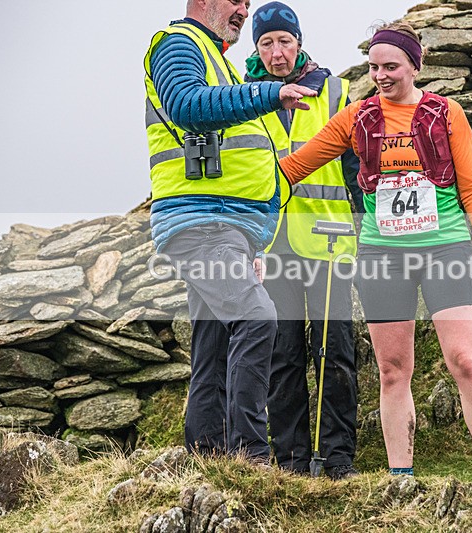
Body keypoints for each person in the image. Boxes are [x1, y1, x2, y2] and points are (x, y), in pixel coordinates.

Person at [279, 21, 472, 485]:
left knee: (464, 360)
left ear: (414, 65)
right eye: (374, 67)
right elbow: (294, 167)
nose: (382, 75)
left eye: (391, 66)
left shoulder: (446, 113)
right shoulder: (357, 118)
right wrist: (234, 203)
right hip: (382, 256)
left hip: (445, 248)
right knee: (392, 370)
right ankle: (400, 476)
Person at [143, 0, 316, 461]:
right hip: (202, 223)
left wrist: (252, 234)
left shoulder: (216, 56)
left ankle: (209, 458)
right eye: (235, 0)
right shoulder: (179, 44)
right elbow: (185, 105)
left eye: (247, 2)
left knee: (214, 347)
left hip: (226, 227)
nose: (243, 9)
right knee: (256, 316)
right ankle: (251, 457)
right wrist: (267, 93)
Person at [245, 2, 363, 480]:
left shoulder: (335, 92)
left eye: (284, 41)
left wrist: (364, 230)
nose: (277, 53)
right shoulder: (243, 97)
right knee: (283, 355)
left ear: (300, 42)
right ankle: (291, 460)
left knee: (335, 351)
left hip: (330, 242)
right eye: (266, 43)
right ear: (257, 49)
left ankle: (337, 459)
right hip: (273, 248)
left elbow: (358, 171)